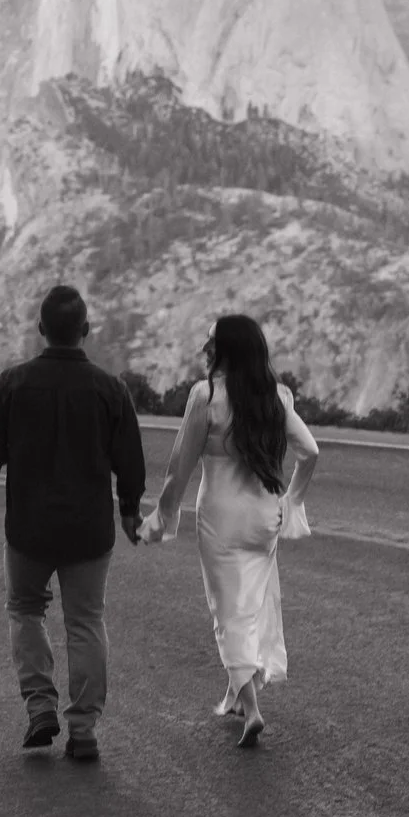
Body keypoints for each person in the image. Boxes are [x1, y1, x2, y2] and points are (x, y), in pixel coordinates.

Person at [0, 284, 147, 763]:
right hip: (90, 531)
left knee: (25, 609)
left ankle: (40, 706)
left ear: (41, 329)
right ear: (85, 331)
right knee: (86, 621)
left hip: (29, 530)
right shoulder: (111, 390)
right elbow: (129, 459)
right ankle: (84, 729)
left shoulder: (11, 384)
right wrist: (129, 509)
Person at [147, 314, 320, 748]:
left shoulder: (206, 396)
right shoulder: (277, 397)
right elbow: (310, 451)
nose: (205, 348)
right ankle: (236, 696)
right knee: (254, 606)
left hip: (220, 517)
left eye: (211, 341)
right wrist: (292, 502)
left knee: (227, 612)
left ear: (227, 349)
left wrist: (162, 519)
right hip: (265, 517)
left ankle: (253, 711)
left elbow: (179, 467)